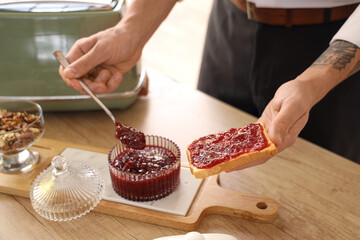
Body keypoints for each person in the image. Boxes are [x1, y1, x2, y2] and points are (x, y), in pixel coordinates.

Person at [58, 0, 360, 167]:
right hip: (231, 26)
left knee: (322, 183)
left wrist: (312, 82)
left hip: (334, 47)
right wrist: (131, 30)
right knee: (219, 167)